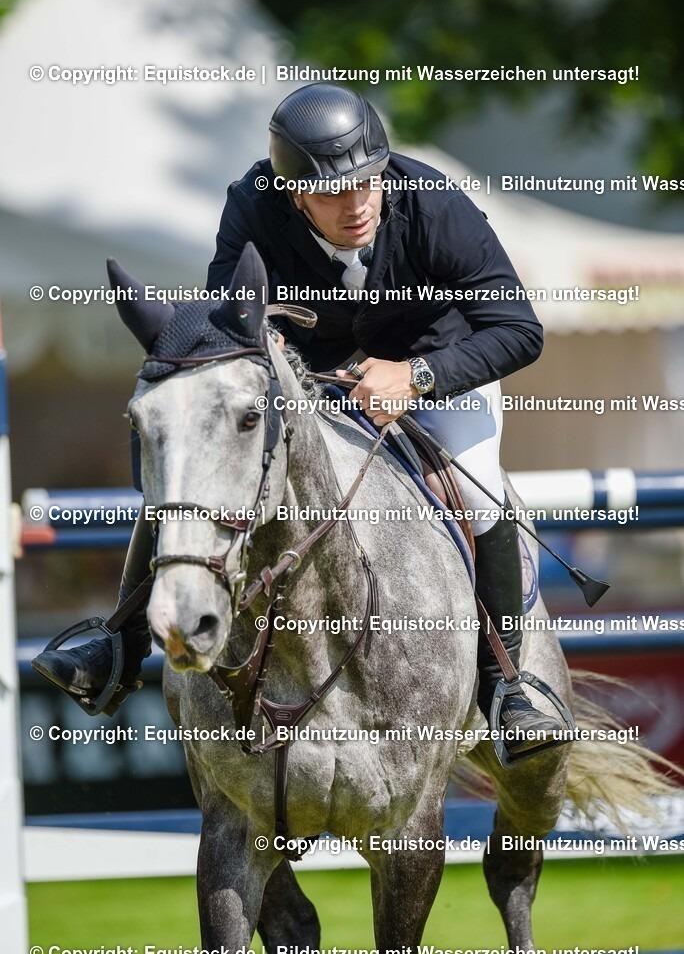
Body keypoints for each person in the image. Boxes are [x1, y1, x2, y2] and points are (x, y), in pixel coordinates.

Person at [33, 84, 563, 758]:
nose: (358, 203)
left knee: (476, 487)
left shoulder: (434, 204)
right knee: (201, 462)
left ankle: (507, 687)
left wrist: (416, 376)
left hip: (440, 361)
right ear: (294, 194)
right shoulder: (253, 205)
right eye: (334, 191)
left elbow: (518, 330)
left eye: (368, 181)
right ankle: (121, 643)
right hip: (313, 374)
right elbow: (227, 328)